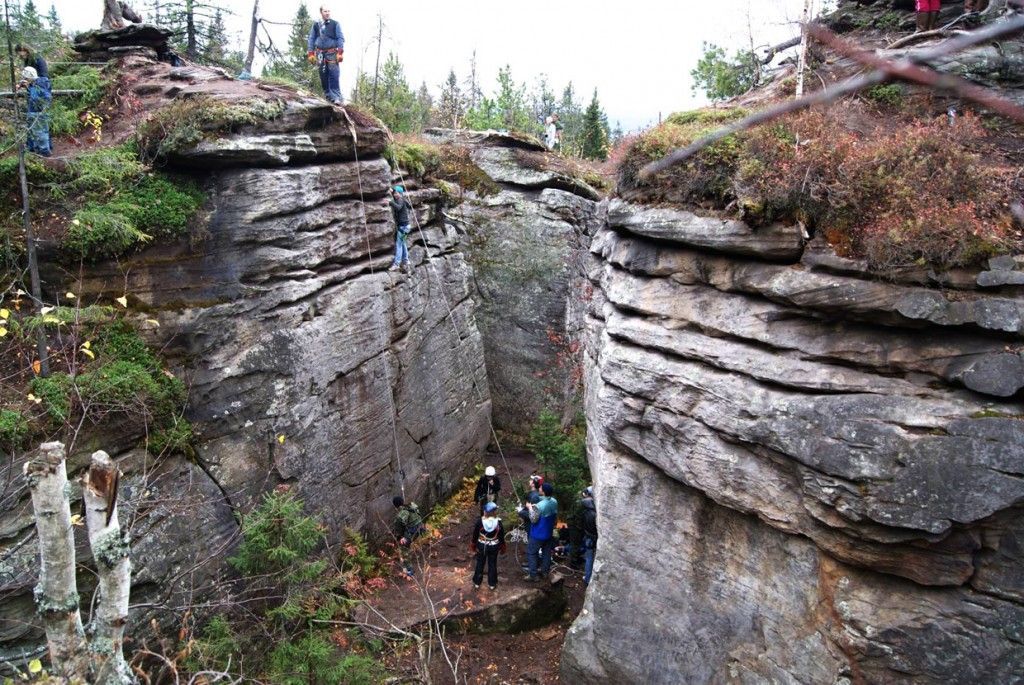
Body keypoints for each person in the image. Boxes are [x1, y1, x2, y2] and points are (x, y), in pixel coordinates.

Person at [307, 5, 345, 104]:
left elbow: (340, 38)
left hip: (332, 53)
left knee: (334, 74)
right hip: (320, 53)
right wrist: (311, 53)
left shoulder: (335, 24)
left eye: (329, 11)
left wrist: (340, 52)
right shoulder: (316, 25)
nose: (327, 13)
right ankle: (328, 97)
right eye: (325, 11)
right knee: (323, 75)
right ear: (321, 12)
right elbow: (311, 38)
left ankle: (336, 97)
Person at [524, 482, 557, 582]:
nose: (539, 488)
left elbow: (533, 519)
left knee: (531, 553)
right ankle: (545, 572)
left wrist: (530, 508)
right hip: (548, 533)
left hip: (537, 534)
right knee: (546, 553)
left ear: (543, 491)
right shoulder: (554, 501)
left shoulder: (539, 506)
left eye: (541, 488)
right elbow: (547, 506)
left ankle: (533, 575)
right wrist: (534, 506)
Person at [469, 501, 506, 590]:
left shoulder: (480, 522)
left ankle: (477, 582)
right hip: (494, 546)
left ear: (485, 511)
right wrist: (503, 546)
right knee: (492, 564)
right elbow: (501, 536)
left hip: (482, 545)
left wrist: (473, 544)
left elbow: (475, 535)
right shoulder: (498, 523)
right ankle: (492, 584)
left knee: (480, 563)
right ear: (494, 512)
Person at [17, 67, 52, 157]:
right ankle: (36, 150)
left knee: (41, 132)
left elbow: (37, 98)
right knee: (35, 132)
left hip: (39, 112)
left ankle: (45, 152)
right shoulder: (35, 84)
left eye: (26, 78)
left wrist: (29, 86)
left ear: (29, 77)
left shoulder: (41, 83)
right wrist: (27, 86)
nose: (25, 80)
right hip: (34, 111)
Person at [392, 495, 424, 576]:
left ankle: (409, 570)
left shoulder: (400, 515)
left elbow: (398, 530)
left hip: (412, 531)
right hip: (421, 528)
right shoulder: (411, 506)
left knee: (404, 548)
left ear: (395, 506)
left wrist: (400, 537)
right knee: (408, 543)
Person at [388, 186, 413, 273]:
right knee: (403, 243)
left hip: (403, 227)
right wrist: (391, 191)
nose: (395, 195)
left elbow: (398, 207)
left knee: (399, 245)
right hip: (405, 227)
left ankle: (396, 264)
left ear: (401, 194)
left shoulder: (401, 200)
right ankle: (406, 260)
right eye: (394, 193)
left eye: (397, 193)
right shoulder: (402, 200)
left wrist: (390, 202)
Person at [580, 486, 597, 586]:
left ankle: (587, 577)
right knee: (591, 558)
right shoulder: (595, 512)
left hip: (588, 535)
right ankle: (589, 578)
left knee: (589, 557)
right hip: (594, 536)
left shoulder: (585, 508)